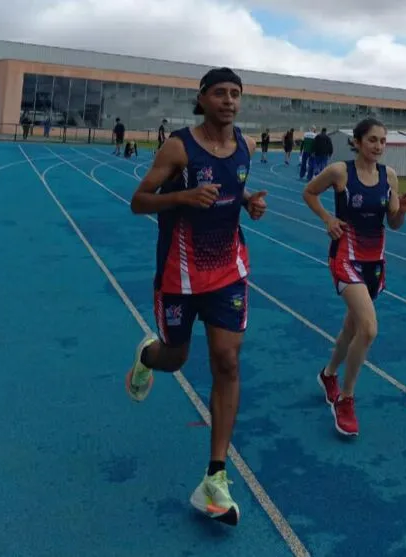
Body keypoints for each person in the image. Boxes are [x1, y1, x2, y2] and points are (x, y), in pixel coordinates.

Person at [126, 67, 268, 526]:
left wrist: (248, 203)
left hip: (228, 269)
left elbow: (234, 187)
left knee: (227, 361)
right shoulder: (178, 147)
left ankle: (216, 475)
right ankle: (147, 356)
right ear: (202, 99)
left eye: (236, 94)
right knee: (175, 357)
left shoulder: (245, 145)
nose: (229, 101)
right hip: (179, 274)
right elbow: (139, 200)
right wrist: (183, 197)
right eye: (220, 93)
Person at [302, 118, 406, 436]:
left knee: (351, 327)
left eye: (382, 141)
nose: (378, 146)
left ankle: (328, 374)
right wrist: (327, 218)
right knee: (368, 328)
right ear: (357, 142)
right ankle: (346, 399)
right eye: (372, 140)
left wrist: (403, 209)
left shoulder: (389, 176)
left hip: (374, 262)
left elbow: (393, 223)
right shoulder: (341, 172)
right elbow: (309, 192)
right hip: (345, 258)